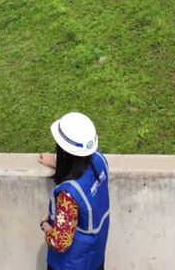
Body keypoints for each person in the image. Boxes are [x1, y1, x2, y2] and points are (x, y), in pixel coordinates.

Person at [37, 112, 110, 270]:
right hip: (95, 258)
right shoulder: (100, 161)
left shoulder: (69, 196)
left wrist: (45, 224)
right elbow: (85, 173)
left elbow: (61, 242)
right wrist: (57, 163)